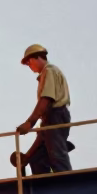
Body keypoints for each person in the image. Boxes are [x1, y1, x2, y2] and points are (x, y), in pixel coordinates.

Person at [12, 44, 72, 175]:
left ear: (38, 57)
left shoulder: (49, 71)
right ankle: (43, 187)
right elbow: (43, 135)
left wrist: (29, 123)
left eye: (29, 61)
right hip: (49, 118)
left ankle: (67, 185)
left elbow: (46, 99)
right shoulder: (46, 74)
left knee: (57, 155)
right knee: (37, 158)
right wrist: (26, 157)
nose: (29, 65)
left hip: (56, 116)